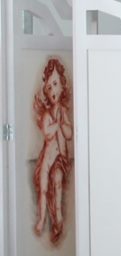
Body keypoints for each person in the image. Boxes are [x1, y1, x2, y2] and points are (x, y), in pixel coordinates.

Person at [32, 57, 74, 244]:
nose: (52, 90)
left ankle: (58, 217)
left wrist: (63, 124)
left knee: (57, 182)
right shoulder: (47, 114)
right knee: (43, 186)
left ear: (62, 87)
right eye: (48, 87)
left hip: (60, 159)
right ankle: (41, 219)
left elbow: (69, 134)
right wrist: (56, 124)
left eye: (55, 84)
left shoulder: (63, 112)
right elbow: (47, 132)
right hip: (47, 157)